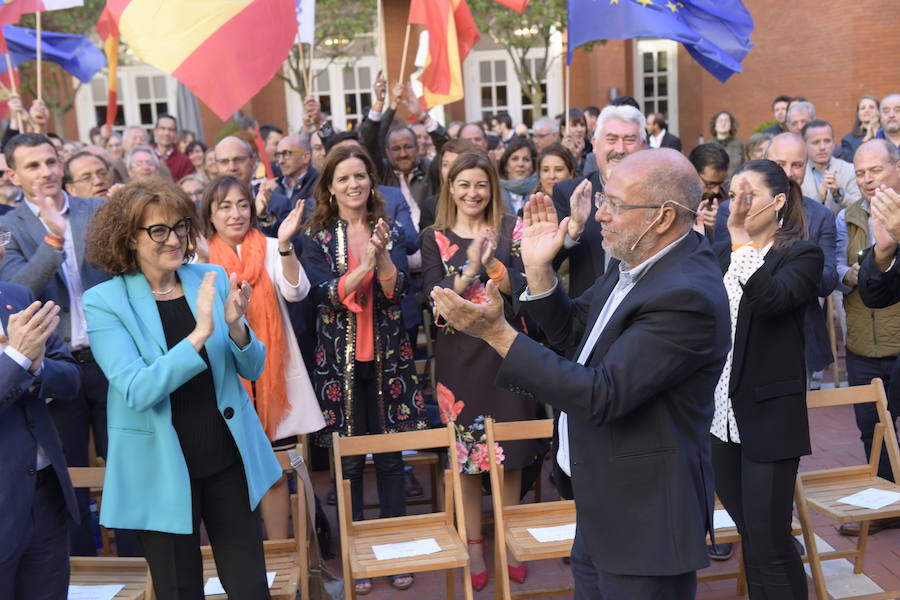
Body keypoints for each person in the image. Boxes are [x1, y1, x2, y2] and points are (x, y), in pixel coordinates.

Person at [431, 148, 730, 599]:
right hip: (605, 503)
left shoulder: (685, 292)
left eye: (616, 204)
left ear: (664, 217)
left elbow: (601, 394)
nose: (600, 216)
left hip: (644, 519)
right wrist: (537, 270)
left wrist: (498, 334)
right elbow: (575, 333)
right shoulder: (638, 262)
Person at [83, 177, 281, 599]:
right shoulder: (104, 301)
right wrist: (199, 334)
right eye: (158, 230)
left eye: (180, 226)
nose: (173, 239)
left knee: (250, 589)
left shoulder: (209, 277)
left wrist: (235, 326)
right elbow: (137, 389)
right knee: (179, 590)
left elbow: (252, 365)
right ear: (128, 239)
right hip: (159, 469)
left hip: (226, 459)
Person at [302, 145, 427, 595]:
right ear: (330, 188)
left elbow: (398, 293)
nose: (354, 184)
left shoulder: (387, 228)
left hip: (390, 360)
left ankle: (393, 553)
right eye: (344, 178)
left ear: (371, 182)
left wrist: (383, 257)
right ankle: (360, 560)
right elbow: (325, 295)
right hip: (340, 367)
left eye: (360, 176)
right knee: (349, 466)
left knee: (392, 462)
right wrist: (366, 265)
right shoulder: (315, 237)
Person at [421, 150, 535, 591]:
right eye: (464, 184)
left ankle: (508, 539)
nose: (473, 192)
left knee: (510, 456)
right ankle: (473, 544)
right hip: (458, 360)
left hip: (508, 351)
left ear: (493, 188)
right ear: (451, 187)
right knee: (467, 459)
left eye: (481, 184)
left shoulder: (511, 229)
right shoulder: (434, 236)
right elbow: (433, 299)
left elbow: (525, 289)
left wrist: (493, 266)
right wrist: (468, 268)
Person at [711, 159, 823, 598]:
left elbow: (773, 300)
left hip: (770, 417)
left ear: (778, 201)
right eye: (733, 194)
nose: (737, 203)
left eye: (748, 194)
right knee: (750, 535)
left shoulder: (800, 254)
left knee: (770, 537)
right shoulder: (719, 252)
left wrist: (740, 242)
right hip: (719, 415)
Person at [0, 133, 112, 556]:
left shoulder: (98, 210)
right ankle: (82, 573)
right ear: (12, 174)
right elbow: (16, 288)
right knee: (69, 477)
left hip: (110, 361)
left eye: (50, 161)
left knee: (127, 469)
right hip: (50, 367)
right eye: (32, 166)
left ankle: (140, 568)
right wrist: (52, 242)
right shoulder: (7, 226)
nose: (45, 172)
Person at [200, 175, 325, 540]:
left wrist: (286, 245)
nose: (236, 213)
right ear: (210, 213)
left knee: (273, 469)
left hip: (273, 375)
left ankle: (280, 553)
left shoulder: (270, 247)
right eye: (225, 207)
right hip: (222, 376)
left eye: (242, 204)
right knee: (230, 474)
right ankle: (243, 557)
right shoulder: (199, 258)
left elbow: (297, 290)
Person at [715, 133, 839, 384]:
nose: (789, 172)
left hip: (794, 334)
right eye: (780, 164)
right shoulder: (731, 210)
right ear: (766, 162)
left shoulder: (821, 216)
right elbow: (721, 267)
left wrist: (796, 271)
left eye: (797, 165)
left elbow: (827, 279)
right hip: (732, 335)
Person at [0, 257, 81, 599]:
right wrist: (16, 359)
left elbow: (70, 377)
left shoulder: (17, 297)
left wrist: (36, 368)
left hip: (46, 493)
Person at [834, 139, 900, 535]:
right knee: (872, 427)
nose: (867, 180)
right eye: (860, 173)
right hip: (862, 338)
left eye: (875, 170)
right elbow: (839, 264)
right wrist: (851, 272)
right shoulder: (848, 216)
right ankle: (888, 503)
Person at [552, 104, 646, 298]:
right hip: (587, 318)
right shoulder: (570, 193)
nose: (620, 149)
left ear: (643, 145)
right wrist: (573, 230)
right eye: (611, 139)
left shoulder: (660, 197)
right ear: (594, 144)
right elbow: (549, 263)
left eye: (629, 140)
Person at [801, 120, 861, 212]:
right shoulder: (797, 173)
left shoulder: (850, 170)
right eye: (816, 142)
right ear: (804, 144)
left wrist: (839, 195)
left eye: (827, 141)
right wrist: (818, 199)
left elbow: (861, 208)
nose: (822, 147)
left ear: (833, 143)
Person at [419, 138, 474, 231]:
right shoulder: (430, 206)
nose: (450, 171)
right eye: (445, 165)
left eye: (456, 164)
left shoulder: (480, 200)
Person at [688, 143, 730, 242]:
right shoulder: (676, 200)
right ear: (692, 172)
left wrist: (722, 224)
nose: (716, 190)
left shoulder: (730, 196)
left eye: (721, 183)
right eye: (710, 184)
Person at [498, 136, 537, 214]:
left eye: (526, 159)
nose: (520, 164)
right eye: (514, 159)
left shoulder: (542, 190)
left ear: (533, 166)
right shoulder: (494, 192)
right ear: (505, 165)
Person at [275, 135, 317, 205]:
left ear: (306, 157)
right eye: (278, 155)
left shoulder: (319, 185)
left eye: (286, 154)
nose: (281, 161)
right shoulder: (277, 187)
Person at [153, 114, 195, 181]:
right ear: (155, 132)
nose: (166, 133)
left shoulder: (185, 161)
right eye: (162, 128)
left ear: (175, 134)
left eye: (171, 129)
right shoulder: (146, 156)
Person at [840, 95, 880, 161]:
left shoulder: (889, 135)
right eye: (863, 108)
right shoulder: (848, 140)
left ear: (879, 112)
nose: (867, 110)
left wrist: (876, 133)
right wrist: (867, 137)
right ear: (858, 113)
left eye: (872, 107)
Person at [710, 110, 743, 176]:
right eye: (720, 120)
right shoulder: (708, 146)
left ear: (731, 125)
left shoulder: (739, 144)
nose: (723, 123)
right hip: (713, 184)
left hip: (733, 183)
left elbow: (744, 166)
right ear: (715, 125)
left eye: (726, 121)